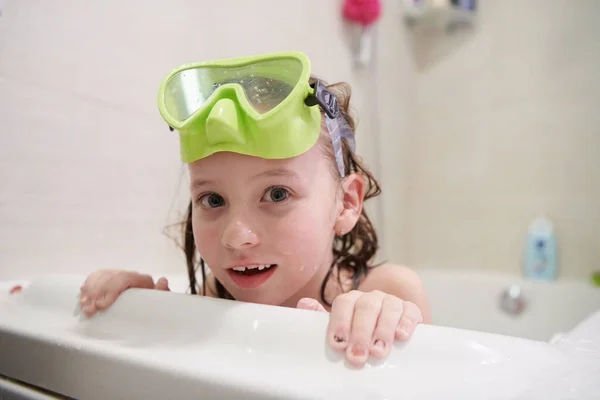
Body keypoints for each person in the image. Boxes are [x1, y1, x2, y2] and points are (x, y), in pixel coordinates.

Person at [78, 51, 431, 367]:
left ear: (347, 203)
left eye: (277, 194)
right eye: (213, 200)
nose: (237, 237)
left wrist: (383, 323)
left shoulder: (388, 292)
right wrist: (145, 309)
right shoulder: (214, 295)